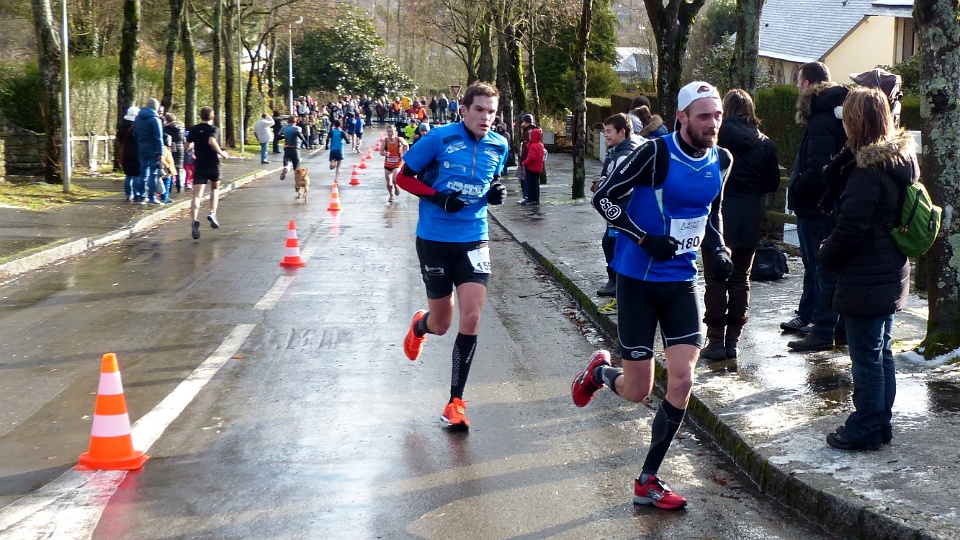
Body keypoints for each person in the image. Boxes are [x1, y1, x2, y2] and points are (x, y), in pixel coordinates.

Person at [571, 81, 733, 510]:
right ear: (682, 117)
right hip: (638, 279)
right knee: (638, 390)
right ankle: (601, 373)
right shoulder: (655, 153)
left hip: (682, 280)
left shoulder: (722, 158)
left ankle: (648, 479)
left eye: (717, 115)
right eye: (704, 116)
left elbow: (711, 211)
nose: (713, 123)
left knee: (683, 380)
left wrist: (719, 248)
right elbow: (604, 199)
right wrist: (644, 238)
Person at [396, 81, 509, 431]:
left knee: (471, 316)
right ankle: (421, 325)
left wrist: (495, 193)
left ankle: (455, 402)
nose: (486, 117)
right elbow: (403, 177)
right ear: (464, 110)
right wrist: (438, 197)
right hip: (434, 238)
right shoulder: (439, 138)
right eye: (479, 110)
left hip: (474, 238)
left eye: (491, 112)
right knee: (442, 324)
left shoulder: (500, 144)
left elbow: (492, 180)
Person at [818, 87, 915, 450]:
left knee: (866, 357)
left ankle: (866, 426)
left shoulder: (867, 171)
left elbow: (851, 228)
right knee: (881, 352)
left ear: (856, 122)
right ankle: (880, 423)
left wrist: (826, 254)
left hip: (866, 275)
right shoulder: (896, 163)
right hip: (888, 271)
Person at [700, 89, 782, 360]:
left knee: (714, 279)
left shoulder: (714, 140)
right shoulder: (764, 142)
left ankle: (715, 340)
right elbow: (772, 182)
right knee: (740, 280)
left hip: (716, 213)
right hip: (748, 213)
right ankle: (733, 341)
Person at [780, 62, 849, 351]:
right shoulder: (832, 113)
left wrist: (797, 188)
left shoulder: (821, 119)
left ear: (807, 84)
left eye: (799, 81)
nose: (797, 86)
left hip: (816, 205)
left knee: (821, 267)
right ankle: (811, 316)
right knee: (815, 266)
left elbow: (820, 167)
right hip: (821, 204)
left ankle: (823, 328)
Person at [592, 113, 643, 314]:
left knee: (615, 246)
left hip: (621, 210)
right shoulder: (616, 152)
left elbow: (623, 187)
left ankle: (619, 288)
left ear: (622, 132)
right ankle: (615, 284)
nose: (605, 135)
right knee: (610, 243)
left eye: (609, 131)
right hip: (615, 210)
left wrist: (603, 188)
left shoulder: (624, 154)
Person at [186, 106, 229, 240]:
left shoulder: (194, 129)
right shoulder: (214, 129)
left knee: (197, 195)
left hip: (199, 164)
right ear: (213, 117)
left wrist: (195, 145)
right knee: (215, 189)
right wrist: (222, 153)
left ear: (200, 116)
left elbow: (187, 146)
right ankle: (212, 213)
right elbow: (212, 141)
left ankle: (194, 220)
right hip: (213, 164)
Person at [134, 98, 165, 205]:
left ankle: (142, 195)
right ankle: (152, 197)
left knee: (142, 173)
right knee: (153, 173)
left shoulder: (138, 118)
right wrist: (161, 152)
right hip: (153, 149)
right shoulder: (155, 119)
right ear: (156, 107)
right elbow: (159, 137)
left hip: (142, 148)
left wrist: (140, 143)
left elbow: (135, 134)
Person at [381, 124, 408, 203]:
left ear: (395, 132)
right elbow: (381, 152)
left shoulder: (399, 139)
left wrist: (405, 154)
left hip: (397, 164)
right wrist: (385, 153)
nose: (390, 133)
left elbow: (406, 145)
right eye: (389, 132)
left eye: (392, 131)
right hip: (388, 164)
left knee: (394, 180)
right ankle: (391, 194)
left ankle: (396, 186)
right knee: (389, 183)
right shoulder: (385, 141)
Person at [119, 107, 141, 201]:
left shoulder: (122, 124)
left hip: (125, 151)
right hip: (136, 151)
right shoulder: (136, 125)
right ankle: (136, 194)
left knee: (128, 175)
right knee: (136, 174)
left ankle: (128, 194)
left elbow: (120, 138)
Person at [520, 125, 545, 206]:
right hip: (538, 168)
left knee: (530, 184)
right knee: (536, 184)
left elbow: (531, 158)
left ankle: (531, 199)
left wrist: (524, 163)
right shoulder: (540, 145)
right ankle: (536, 199)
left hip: (531, 168)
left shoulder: (533, 146)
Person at [280, 115, 307, 181]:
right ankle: (297, 182)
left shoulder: (284, 128)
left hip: (287, 148)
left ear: (288, 121)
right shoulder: (297, 128)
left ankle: (286, 168)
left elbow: (278, 136)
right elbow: (299, 134)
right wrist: (305, 142)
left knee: (286, 161)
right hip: (295, 149)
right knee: (296, 168)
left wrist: (284, 137)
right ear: (295, 121)